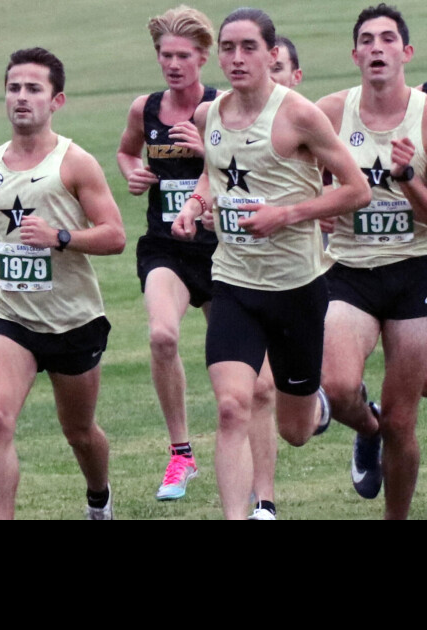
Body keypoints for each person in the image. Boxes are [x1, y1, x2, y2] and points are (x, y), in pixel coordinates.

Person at [172, 8, 371, 520]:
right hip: (234, 283)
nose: (236, 59)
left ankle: (322, 405)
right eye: (228, 48)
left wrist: (288, 214)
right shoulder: (207, 115)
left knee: (295, 431)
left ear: (270, 54)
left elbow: (357, 190)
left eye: (248, 48)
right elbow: (215, 177)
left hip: (298, 288)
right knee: (232, 406)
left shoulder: (300, 115)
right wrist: (196, 206)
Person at [0, 48, 125, 519]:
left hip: (72, 319)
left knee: (79, 432)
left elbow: (115, 236)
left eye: (34, 89)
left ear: (57, 100)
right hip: (10, 315)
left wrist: (59, 237)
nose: (21, 97)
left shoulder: (76, 162)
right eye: (14, 88)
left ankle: (98, 497)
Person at [315, 4, 427, 520]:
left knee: (405, 423)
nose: (377, 47)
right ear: (355, 54)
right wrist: (317, 208)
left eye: (388, 39)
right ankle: (366, 426)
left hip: (414, 270)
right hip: (349, 271)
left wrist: (407, 179)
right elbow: (297, 178)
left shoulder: (425, 116)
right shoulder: (332, 112)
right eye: (367, 40)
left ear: (406, 52)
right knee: (338, 390)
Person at [116, 5, 219, 501]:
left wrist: (208, 151)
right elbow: (125, 150)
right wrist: (132, 172)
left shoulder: (223, 106)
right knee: (161, 336)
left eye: (182, 55)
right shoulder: (146, 107)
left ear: (203, 57)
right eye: (164, 55)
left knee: (237, 364)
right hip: (165, 247)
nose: (172, 64)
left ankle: (238, 451)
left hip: (223, 249)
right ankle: (181, 454)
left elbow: (252, 165)